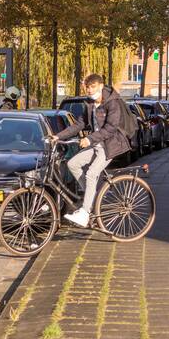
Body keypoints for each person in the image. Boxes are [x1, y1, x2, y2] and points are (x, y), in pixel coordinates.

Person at [54, 74, 131, 227]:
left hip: (111, 144)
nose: (89, 90)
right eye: (88, 87)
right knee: (73, 164)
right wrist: (57, 136)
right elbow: (79, 124)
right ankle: (90, 198)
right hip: (97, 143)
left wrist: (89, 139)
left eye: (93, 87)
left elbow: (110, 128)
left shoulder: (112, 102)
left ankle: (85, 212)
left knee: (91, 173)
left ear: (101, 86)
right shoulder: (89, 104)